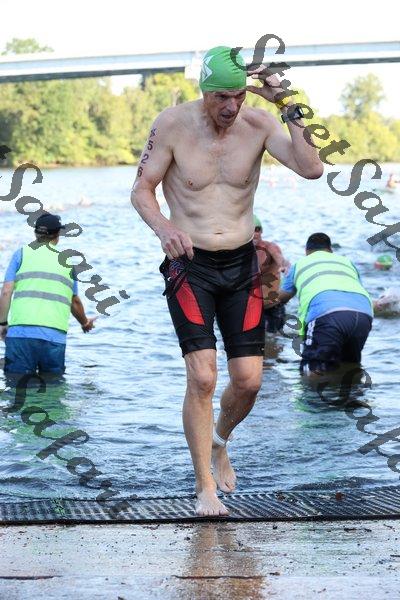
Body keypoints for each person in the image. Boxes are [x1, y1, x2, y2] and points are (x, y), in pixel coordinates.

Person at [131, 46, 323, 516]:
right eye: (222, 96)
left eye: (239, 96)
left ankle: (220, 441)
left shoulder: (259, 124)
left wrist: (287, 102)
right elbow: (141, 190)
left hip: (241, 267)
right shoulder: (172, 124)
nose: (231, 106)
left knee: (249, 382)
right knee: (202, 376)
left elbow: (312, 168)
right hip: (189, 263)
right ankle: (204, 488)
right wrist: (165, 229)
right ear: (204, 90)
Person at [0, 213, 96, 378]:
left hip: (21, 334)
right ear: (57, 235)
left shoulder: (20, 254)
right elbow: (74, 302)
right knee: (53, 386)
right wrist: (85, 323)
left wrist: (2, 323)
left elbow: (6, 291)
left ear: (35, 233)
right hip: (54, 337)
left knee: (16, 384)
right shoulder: (67, 263)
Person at [278, 233, 373, 376]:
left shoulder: (300, 264)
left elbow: (280, 298)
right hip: (364, 314)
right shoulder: (347, 262)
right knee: (349, 368)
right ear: (330, 250)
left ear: (306, 251)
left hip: (327, 314)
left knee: (312, 371)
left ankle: (312, 391)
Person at [253, 214, 289, 333]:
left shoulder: (269, 247)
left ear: (261, 231)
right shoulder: (240, 252)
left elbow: (280, 258)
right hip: (252, 308)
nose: (255, 233)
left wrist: (284, 265)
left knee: (274, 340)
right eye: (251, 230)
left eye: (257, 229)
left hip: (273, 306)